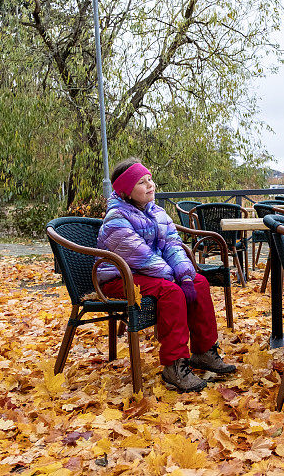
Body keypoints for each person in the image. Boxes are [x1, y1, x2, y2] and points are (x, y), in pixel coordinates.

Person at [96, 157, 236, 392]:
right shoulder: (116, 220)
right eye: (142, 182)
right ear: (127, 191)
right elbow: (142, 258)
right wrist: (175, 279)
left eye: (150, 179)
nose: (150, 185)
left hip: (148, 274)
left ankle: (203, 351)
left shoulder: (157, 212)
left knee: (199, 282)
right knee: (171, 291)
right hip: (119, 278)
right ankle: (174, 365)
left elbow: (172, 245)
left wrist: (186, 276)